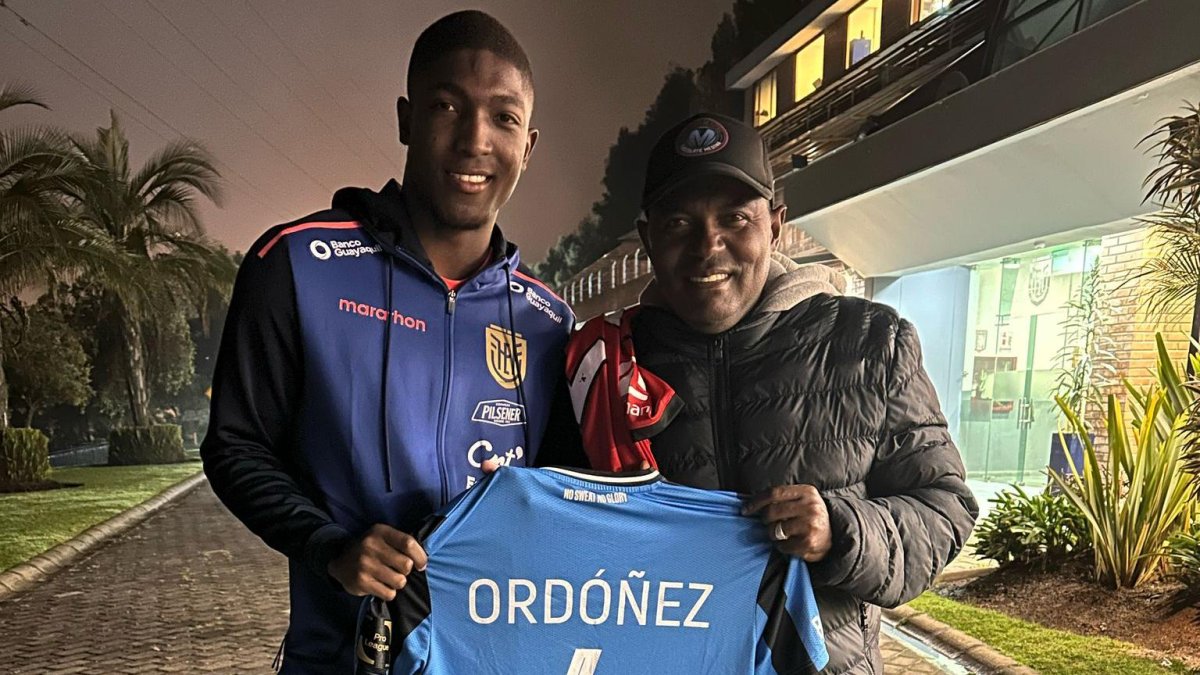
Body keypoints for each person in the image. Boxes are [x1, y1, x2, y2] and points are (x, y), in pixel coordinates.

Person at [201, 11, 578, 673]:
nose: (474, 140)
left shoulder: (549, 322)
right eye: (446, 106)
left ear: (530, 143)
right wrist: (330, 545)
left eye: (503, 118)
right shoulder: (296, 265)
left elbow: (568, 497)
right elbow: (236, 443)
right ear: (406, 119)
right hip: (339, 659)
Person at [566, 112, 978, 674]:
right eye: (679, 223)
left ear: (775, 225)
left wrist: (842, 530)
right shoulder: (602, 366)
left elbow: (945, 507)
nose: (708, 247)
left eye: (735, 217)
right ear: (647, 240)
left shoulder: (871, 343)